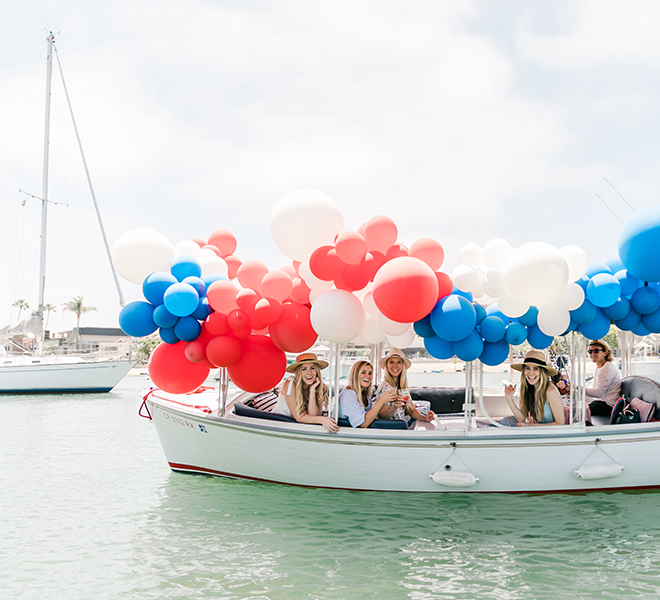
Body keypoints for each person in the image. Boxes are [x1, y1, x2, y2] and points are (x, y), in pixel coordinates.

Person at [274, 352, 339, 433]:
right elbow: (299, 417)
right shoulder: (290, 384)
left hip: (296, 426)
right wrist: (322, 420)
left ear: (317, 370)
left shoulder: (318, 385)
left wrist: (312, 390)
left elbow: (314, 416)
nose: (309, 372)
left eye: (312, 368)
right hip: (278, 423)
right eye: (304, 369)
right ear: (298, 372)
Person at [502, 350, 565, 426]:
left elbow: (560, 423)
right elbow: (521, 419)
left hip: (551, 435)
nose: (531, 373)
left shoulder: (550, 391)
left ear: (542, 371)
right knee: (505, 422)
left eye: (535, 369)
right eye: (527, 368)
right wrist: (509, 399)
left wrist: (530, 426)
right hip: (537, 432)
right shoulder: (527, 388)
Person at [375, 348, 435, 426]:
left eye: (399, 362)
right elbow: (382, 416)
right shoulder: (386, 387)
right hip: (393, 429)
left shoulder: (402, 386)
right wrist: (395, 407)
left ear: (403, 365)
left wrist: (424, 418)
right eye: (391, 362)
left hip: (403, 427)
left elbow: (411, 410)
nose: (395, 365)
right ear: (387, 365)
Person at [338, 360, 394, 428]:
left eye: (370, 373)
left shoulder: (365, 396)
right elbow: (363, 424)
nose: (367, 376)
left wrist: (395, 406)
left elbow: (370, 417)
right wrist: (381, 401)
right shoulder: (348, 395)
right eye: (363, 372)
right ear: (355, 374)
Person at [585, 339, 621, 417]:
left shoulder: (607, 368)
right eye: (590, 351)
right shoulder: (600, 366)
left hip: (608, 406)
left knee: (577, 411)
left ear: (605, 353)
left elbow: (599, 393)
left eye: (596, 351)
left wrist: (577, 389)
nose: (592, 354)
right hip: (600, 403)